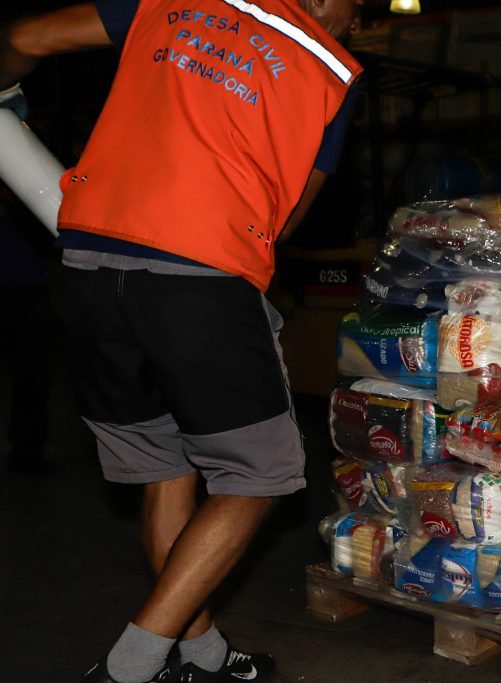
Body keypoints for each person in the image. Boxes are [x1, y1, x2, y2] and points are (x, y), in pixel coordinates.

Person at [0, 0, 364, 681]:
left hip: (86, 266)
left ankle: (202, 655)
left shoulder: (176, 2)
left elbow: (25, 35)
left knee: (166, 471)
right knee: (260, 475)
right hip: (197, 274)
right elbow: (284, 217)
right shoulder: (328, 68)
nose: (357, 18)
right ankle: (128, 668)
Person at [0, 189, 54, 474]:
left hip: (27, 291)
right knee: (29, 377)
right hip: (24, 293)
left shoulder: (28, 201)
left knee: (29, 378)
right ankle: (26, 453)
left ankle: (27, 452)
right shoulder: (26, 203)